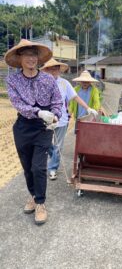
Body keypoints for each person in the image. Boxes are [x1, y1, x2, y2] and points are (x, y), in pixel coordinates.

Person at [5, 39, 63, 225]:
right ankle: (33, 194)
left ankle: (40, 203)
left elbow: (57, 101)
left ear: (38, 59)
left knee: (38, 167)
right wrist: (37, 111)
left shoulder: (48, 79)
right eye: (27, 55)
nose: (31, 58)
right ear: (20, 58)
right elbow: (17, 103)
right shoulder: (13, 80)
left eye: (34, 55)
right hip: (23, 126)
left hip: (43, 127)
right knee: (27, 166)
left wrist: (55, 116)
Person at [40, 59, 98, 180]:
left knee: (58, 146)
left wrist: (88, 108)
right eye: (50, 68)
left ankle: (52, 168)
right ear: (46, 70)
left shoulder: (64, 83)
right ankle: (54, 158)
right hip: (45, 120)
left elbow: (75, 97)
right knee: (44, 143)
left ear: (59, 70)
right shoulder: (41, 83)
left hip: (61, 120)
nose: (53, 71)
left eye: (56, 68)